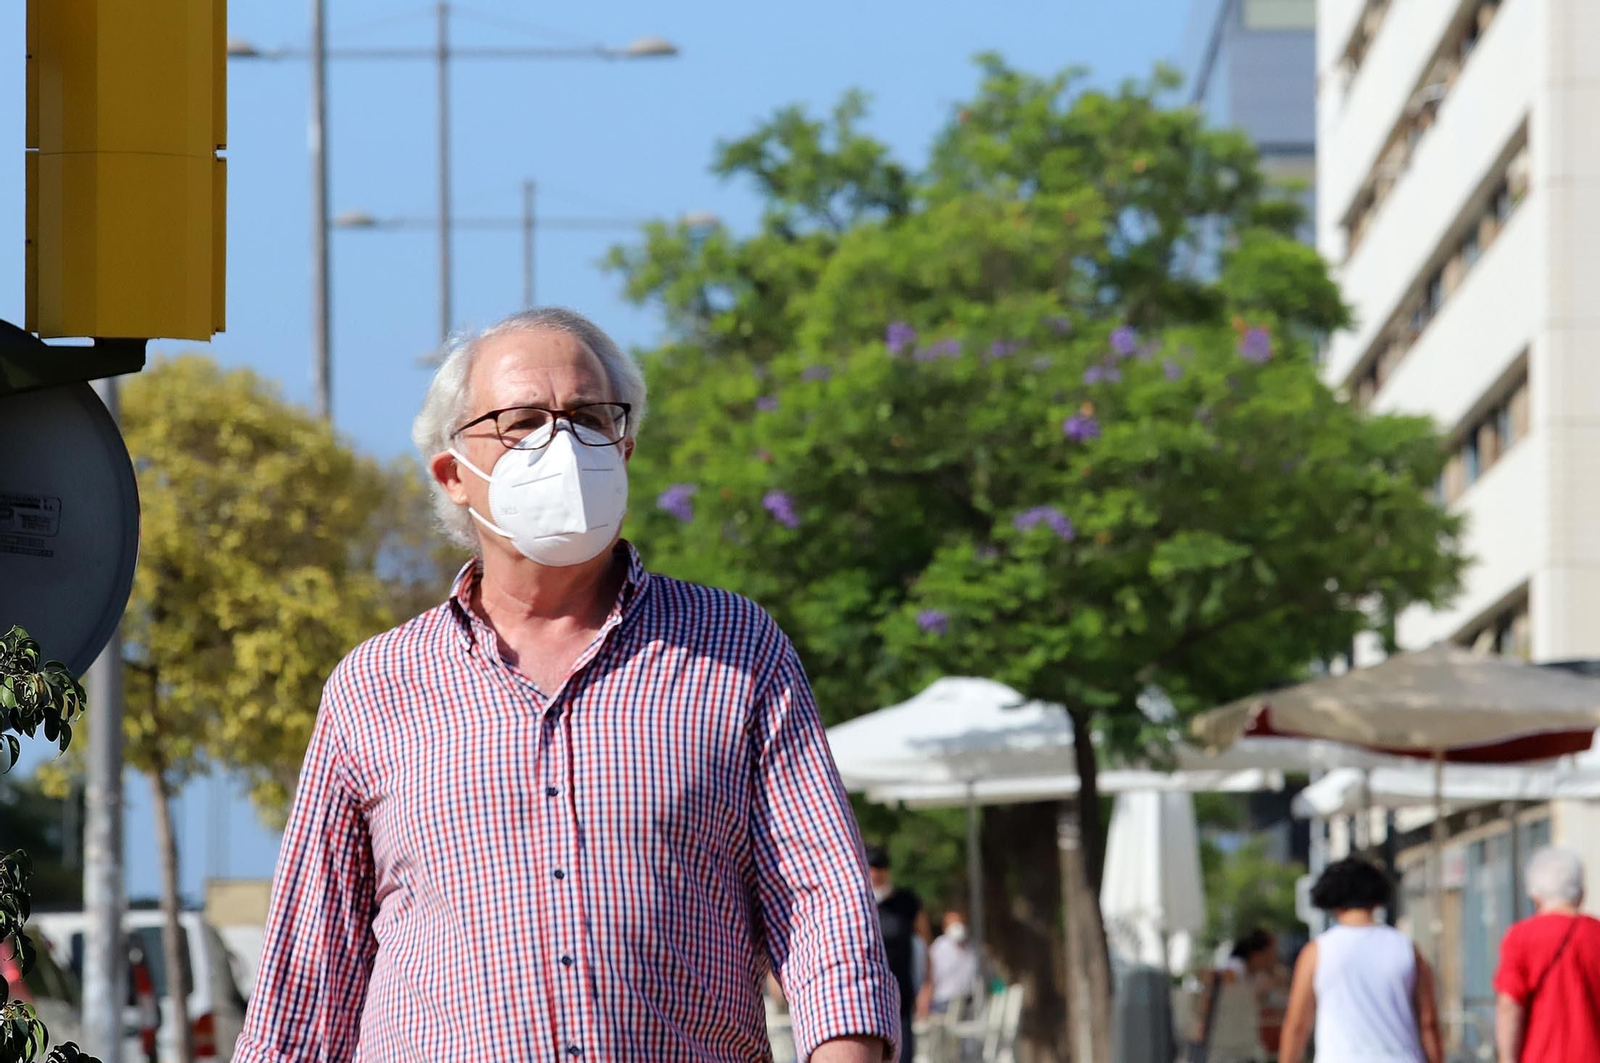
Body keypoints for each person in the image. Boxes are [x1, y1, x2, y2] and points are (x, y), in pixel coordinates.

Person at [234, 308, 900, 1062]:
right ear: (454, 474)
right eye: (523, 421)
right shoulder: (377, 685)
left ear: (625, 446)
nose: (563, 442)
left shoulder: (736, 649)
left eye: (588, 416)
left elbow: (823, 905)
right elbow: (308, 973)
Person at [1279, 858, 1443, 1063]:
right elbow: (1428, 1021)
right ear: (1377, 898)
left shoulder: (1317, 951)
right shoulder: (1407, 949)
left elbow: (1297, 1025)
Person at [1494, 846, 1600, 1062]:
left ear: (1535, 895)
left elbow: (1509, 1007)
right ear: (1580, 893)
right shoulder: (1595, 933)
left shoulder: (1520, 937)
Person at [868, 846, 932, 1063]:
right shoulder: (857, 903)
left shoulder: (906, 902)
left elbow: (925, 944)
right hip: (867, 996)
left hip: (901, 996)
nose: (876, 874)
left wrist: (926, 986)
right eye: (871, 868)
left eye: (880, 868)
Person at [1195, 929, 1278, 1063]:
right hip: (1226, 1045)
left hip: (1238, 1042)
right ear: (1257, 954)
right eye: (1271, 951)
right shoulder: (1236, 968)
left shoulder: (1256, 975)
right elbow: (1208, 977)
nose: (1274, 956)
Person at [928, 910, 979, 1015]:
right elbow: (930, 974)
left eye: (959, 923)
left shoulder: (972, 948)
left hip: (968, 999)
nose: (957, 927)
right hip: (944, 1001)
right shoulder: (939, 946)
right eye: (953, 924)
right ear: (945, 927)